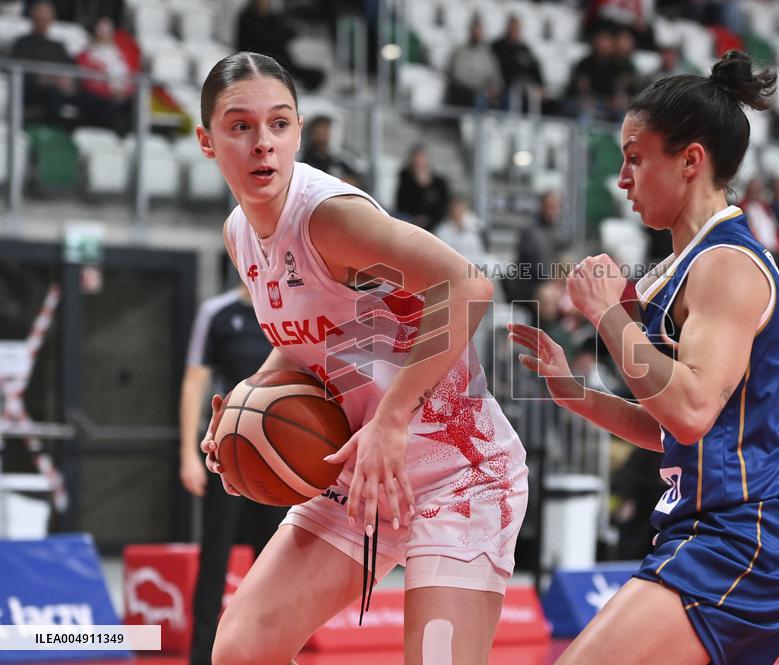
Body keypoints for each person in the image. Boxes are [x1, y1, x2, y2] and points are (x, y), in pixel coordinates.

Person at [194, 52, 528, 665]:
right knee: (242, 652)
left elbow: (468, 287)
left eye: (280, 124)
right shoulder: (239, 233)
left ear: (298, 131)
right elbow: (316, 337)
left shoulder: (329, 218)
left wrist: (392, 418)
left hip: (457, 473)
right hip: (359, 475)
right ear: (207, 141)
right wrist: (247, 401)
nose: (262, 143)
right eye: (240, 126)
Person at [510, 50, 779, 665]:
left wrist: (607, 314)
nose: (622, 178)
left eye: (635, 157)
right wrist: (572, 389)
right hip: (719, 525)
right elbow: (671, 433)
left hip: (750, 533)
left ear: (690, 161)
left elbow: (690, 411)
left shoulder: (726, 266)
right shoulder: (677, 272)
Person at [179, 283, 287, 665]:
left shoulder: (290, 311)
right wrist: (187, 454)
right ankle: (203, 655)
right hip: (228, 452)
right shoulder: (217, 313)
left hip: (281, 457)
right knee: (216, 554)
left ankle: (272, 651)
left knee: (275, 559)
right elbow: (194, 384)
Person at [394, 143, 451, 231]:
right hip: (410, 222)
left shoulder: (440, 182)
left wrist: (428, 220)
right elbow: (402, 204)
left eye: (421, 157)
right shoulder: (405, 178)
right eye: (416, 158)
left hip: (434, 225)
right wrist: (419, 185)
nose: (419, 161)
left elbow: (442, 209)